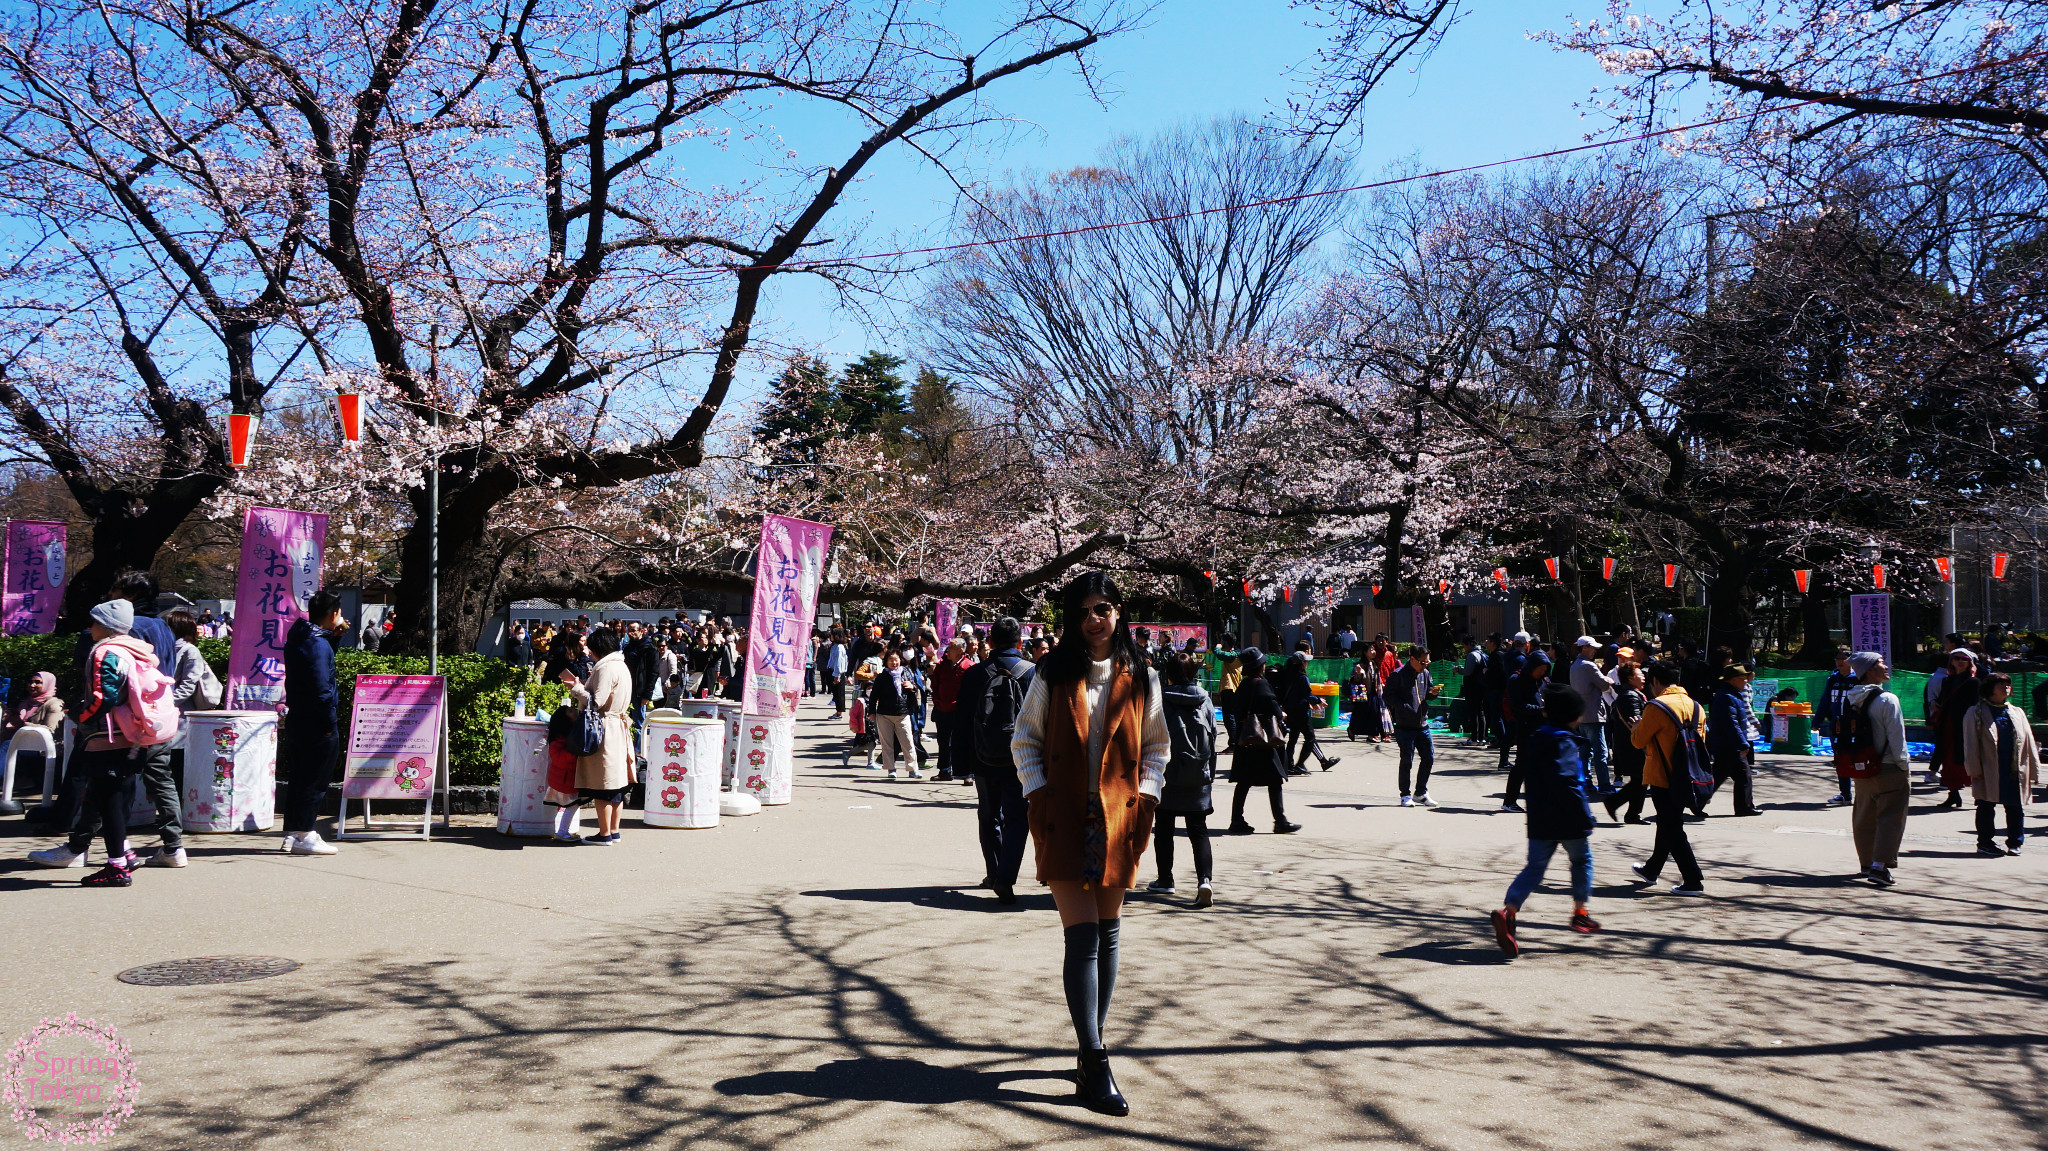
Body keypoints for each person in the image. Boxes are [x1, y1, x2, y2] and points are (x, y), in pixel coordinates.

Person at [1009, 572, 1168, 1117]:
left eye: (1102, 608)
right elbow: (1024, 739)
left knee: (1108, 934)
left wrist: (1146, 797)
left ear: (1119, 612)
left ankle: (1087, 1046)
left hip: (1120, 817)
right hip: (1064, 817)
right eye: (1082, 611)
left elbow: (1158, 746)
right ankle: (1095, 1061)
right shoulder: (1051, 672)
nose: (1093, 619)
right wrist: (1041, 795)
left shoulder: (1141, 673)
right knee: (1082, 940)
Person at [28, 600, 179, 885]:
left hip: (106, 735)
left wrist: (83, 716)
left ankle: (117, 867)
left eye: (94, 622)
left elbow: (104, 696)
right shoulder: (135, 650)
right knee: (107, 795)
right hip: (131, 731)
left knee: (108, 798)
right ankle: (123, 852)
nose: (90, 627)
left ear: (107, 626)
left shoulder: (106, 651)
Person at [1489, 685, 1600, 956]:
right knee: (1581, 860)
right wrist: (1584, 814)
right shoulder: (1564, 741)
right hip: (1568, 817)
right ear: (1573, 717)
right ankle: (1580, 912)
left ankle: (1509, 911)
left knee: (1535, 868)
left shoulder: (1537, 737)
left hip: (1539, 817)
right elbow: (1566, 780)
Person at [952, 617, 1036, 902]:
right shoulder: (1032, 673)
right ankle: (1006, 877)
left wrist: (960, 763)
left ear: (989, 643)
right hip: (1021, 759)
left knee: (989, 815)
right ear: (1020, 643)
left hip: (983, 756)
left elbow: (960, 721)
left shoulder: (975, 674)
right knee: (1017, 817)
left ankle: (994, 870)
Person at [277, 590, 350, 856]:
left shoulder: (302, 636)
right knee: (314, 780)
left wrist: (335, 639)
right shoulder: (317, 644)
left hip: (299, 717)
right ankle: (305, 833)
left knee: (300, 777)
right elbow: (322, 687)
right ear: (333, 614)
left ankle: (294, 832)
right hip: (316, 721)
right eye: (339, 614)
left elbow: (319, 669)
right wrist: (330, 722)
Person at [1628, 660, 1708, 895]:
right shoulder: (1696, 706)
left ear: (1655, 681)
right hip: (1690, 775)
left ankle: (1693, 879)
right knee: (1667, 823)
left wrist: (1635, 727)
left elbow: (1638, 741)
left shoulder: (1656, 706)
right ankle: (1652, 869)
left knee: (1672, 827)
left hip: (1663, 776)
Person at [1149, 651, 1217, 906]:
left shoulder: (1160, 700)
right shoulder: (1205, 700)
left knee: (1164, 828)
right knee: (1198, 830)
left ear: (1168, 675)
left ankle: (1165, 879)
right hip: (1198, 773)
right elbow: (1213, 735)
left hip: (1166, 772)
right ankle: (1204, 881)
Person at [1840, 651, 1909, 886]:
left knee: (1864, 815)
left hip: (1861, 765)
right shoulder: (1888, 700)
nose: (1886, 666)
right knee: (1891, 817)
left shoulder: (1850, 697)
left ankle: (1867, 863)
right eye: (1880, 663)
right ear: (1870, 670)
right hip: (1889, 766)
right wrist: (1903, 765)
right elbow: (1896, 737)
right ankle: (1880, 866)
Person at [560, 626, 631, 843]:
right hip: (618, 726)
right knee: (617, 784)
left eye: (591, 648)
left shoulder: (605, 668)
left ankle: (604, 834)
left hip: (604, 728)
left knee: (603, 784)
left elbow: (595, 702)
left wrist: (576, 687)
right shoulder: (621, 665)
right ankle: (614, 831)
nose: (589, 652)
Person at [1225, 647, 1299, 835]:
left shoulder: (1244, 684)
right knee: (1275, 780)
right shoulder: (1261, 684)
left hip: (1246, 738)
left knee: (1243, 782)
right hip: (1263, 740)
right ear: (1259, 666)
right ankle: (1280, 820)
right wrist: (1281, 714)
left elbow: (1237, 709)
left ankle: (1236, 820)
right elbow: (1274, 708)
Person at [1963, 672, 2037, 857]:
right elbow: (1970, 743)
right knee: (1986, 806)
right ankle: (1985, 843)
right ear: (1990, 688)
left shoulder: (2016, 712)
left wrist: (2033, 768)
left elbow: (2028, 741)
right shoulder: (1975, 712)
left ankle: (2015, 842)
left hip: (2013, 768)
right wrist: (1974, 769)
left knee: (2015, 806)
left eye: (2008, 684)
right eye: (2001, 684)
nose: (2006, 687)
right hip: (1988, 768)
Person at [1384, 645, 1440, 807]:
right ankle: (1405, 795)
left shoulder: (1425, 673)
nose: (1425, 665)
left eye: (1427, 662)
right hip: (1405, 726)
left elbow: (1428, 693)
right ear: (1412, 659)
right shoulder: (1398, 675)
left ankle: (1421, 792)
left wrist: (1432, 693)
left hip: (1423, 725)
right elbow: (1388, 696)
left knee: (1428, 758)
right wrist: (1403, 707)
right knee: (1407, 761)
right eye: (1423, 662)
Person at [1707, 664, 1763, 816]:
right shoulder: (1727, 697)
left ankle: (1744, 807)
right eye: (1743, 678)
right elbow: (1731, 724)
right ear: (1733, 680)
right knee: (1740, 776)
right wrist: (1742, 743)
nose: (1746, 681)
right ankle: (1744, 807)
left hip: (1727, 745)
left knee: (1727, 776)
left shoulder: (1731, 695)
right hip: (1728, 746)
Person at [1498, 650, 1550, 813]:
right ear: (1532, 666)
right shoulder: (1517, 680)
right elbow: (1518, 706)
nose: (1542, 672)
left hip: (1543, 728)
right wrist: (1539, 710)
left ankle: (1541, 800)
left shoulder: (1544, 680)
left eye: (1545, 669)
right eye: (1539, 668)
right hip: (1526, 728)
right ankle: (1509, 801)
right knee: (1521, 765)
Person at [1928, 648, 1979, 811]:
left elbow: (1977, 705)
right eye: (1956, 658)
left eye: (1964, 658)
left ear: (1970, 662)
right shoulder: (1947, 680)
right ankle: (1953, 793)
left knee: (1971, 760)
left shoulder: (1975, 682)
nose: (1960, 661)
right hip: (1948, 724)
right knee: (1948, 759)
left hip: (1966, 725)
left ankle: (1980, 795)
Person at [1567, 636, 1616, 796]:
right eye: (1592, 648)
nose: (1595, 650)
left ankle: (1586, 782)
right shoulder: (1589, 666)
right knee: (1600, 752)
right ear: (1584, 648)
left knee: (1585, 751)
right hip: (1594, 714)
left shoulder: (1574, 665)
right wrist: (1608, 678)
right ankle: (1604, 784)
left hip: (1581, 714)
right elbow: (1603, 685)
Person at [1603, 663, 1649, 824]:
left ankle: (1632, 813)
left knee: (1640, 780)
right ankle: (1616, 804)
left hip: (1630, 745)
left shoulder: (1630, 694)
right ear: (1630, 678)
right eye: (1639, 674)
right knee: (1641, 779)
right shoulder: (1630, 696)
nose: (1643, 676)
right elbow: (1636, 723)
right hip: (1632, 746)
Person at [1279, 653, 1338, 772]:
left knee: (1293, 739)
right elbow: (1307, 694)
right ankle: (1300, 764)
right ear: (1302, 663)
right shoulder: (1302, 677)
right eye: (1306, 661)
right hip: (1300, 712)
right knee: (1310, 738)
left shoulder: (1288, 674)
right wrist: (1318, 701)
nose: (1307, 663)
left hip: (1290, 711)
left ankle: (1289, 764)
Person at [869, 649, 921, 780]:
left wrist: (912, 686)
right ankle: (891, 769)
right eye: (891, 659)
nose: (894, 662)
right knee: (887, 744)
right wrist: (871, 712)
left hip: (903, 713)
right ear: (886, 661)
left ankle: (912, 769)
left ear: (900, 660)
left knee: (908, 742)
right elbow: (874, 696)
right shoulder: (882, 677)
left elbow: (915, 688)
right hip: (884, 714)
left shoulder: (907, 673)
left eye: (896, 659)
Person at [930, 637, 974, 781]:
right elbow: (934, 684)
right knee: (943, 741)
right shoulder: (942, 665)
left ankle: (967, 773)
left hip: (961, 710)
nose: (948, 649)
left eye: (951, 647)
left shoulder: (969, 666)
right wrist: (937, 701)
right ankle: (944, 770)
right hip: (942, 708)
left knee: (963, 741)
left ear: (961, 651)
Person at [1819, 650, 1857, 806]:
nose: (1840, 661)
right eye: (1838, 658)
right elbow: (1825, 701)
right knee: (1841, 760)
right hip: (1837, 726)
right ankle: (1845, 794)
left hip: (1855, 726)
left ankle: (1865, 793)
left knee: (1857, 759)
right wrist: (1818, 720)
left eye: (1844, 658)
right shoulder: (1832, 679)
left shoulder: (1858, 678)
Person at [822, 628, 851, 719]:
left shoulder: (839, 647)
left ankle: (839, 713)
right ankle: (838, 711)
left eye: (832, 635)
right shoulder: (834, 646)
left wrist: (837, 675)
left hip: (837, 672)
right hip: (832, 671)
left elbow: (839, 662)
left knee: (839, 693)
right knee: (835, 693)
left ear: (837, 636)